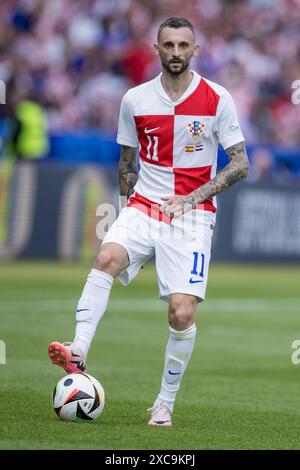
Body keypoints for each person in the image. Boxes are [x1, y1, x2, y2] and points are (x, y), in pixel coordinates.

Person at [48, 17, 249, 427]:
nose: (175, 52)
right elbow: (126, 163)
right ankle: (78, 349)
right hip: (144, 206)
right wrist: (127, 216)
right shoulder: (135, 100)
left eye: (183, 45)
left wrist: (191, 199)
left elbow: (241, 163)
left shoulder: (217, 98)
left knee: (181, 313)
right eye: (168, 45)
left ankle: (164, 403)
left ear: (195, 50)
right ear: (156, 50)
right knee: (106, 256)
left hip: (193, 216)